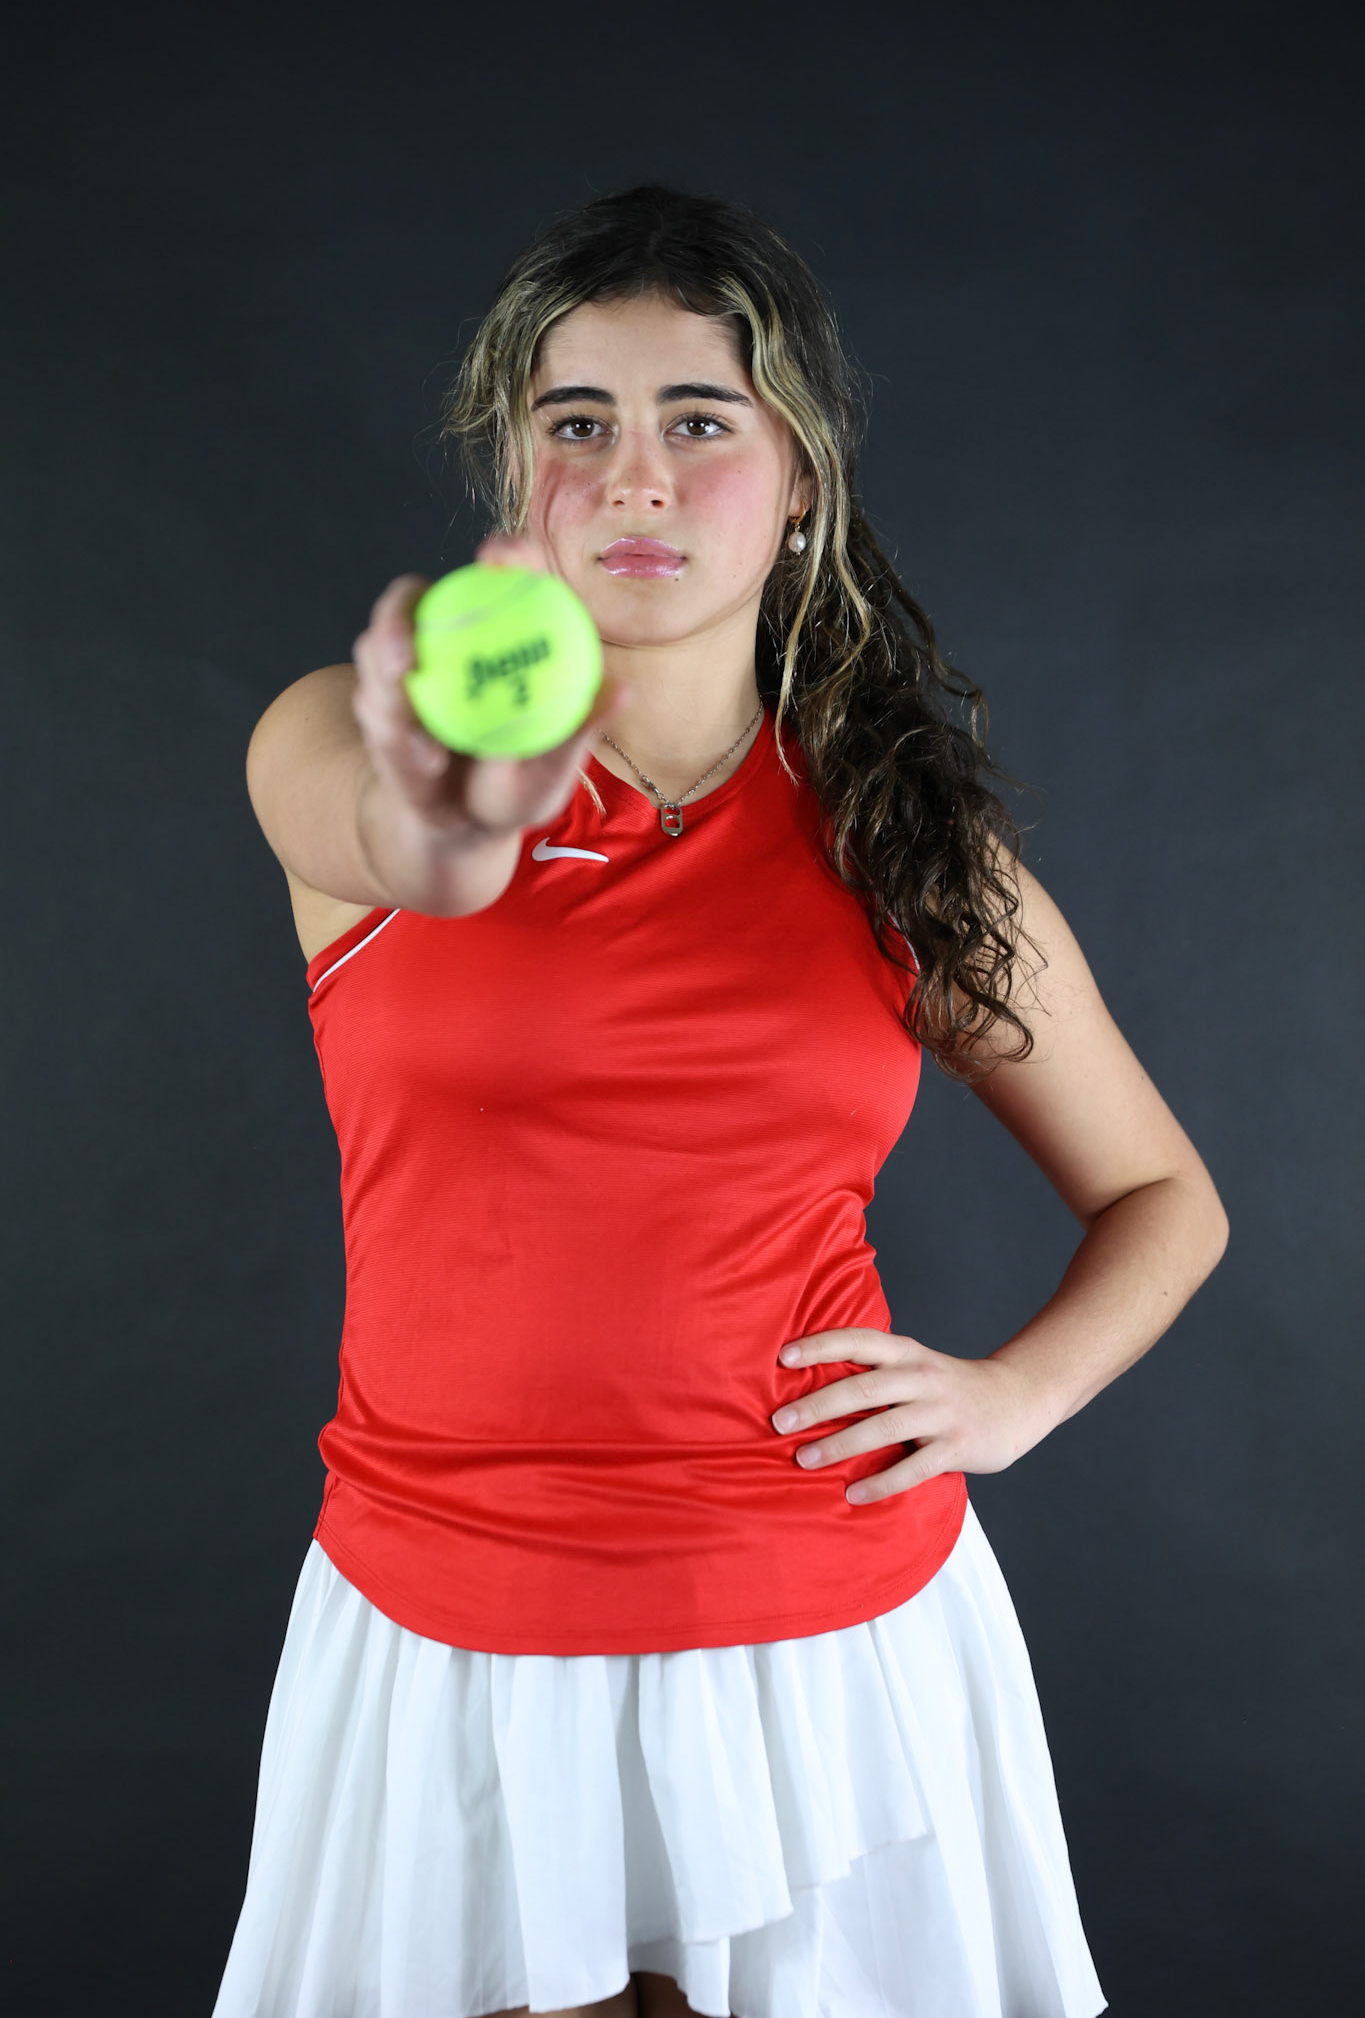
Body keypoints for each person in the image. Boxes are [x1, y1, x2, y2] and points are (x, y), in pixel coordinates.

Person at [212, 184, 1228, 2018]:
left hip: (824, 1621)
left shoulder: (904, 848)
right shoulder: (351, 740)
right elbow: (393, 845)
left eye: (702, 419)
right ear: (515, 486)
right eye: (573, 424)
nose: (636, 476)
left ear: (802, 480)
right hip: (450, 1614)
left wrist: (1009, 1397)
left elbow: (1164, 1195)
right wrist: (450, 819)